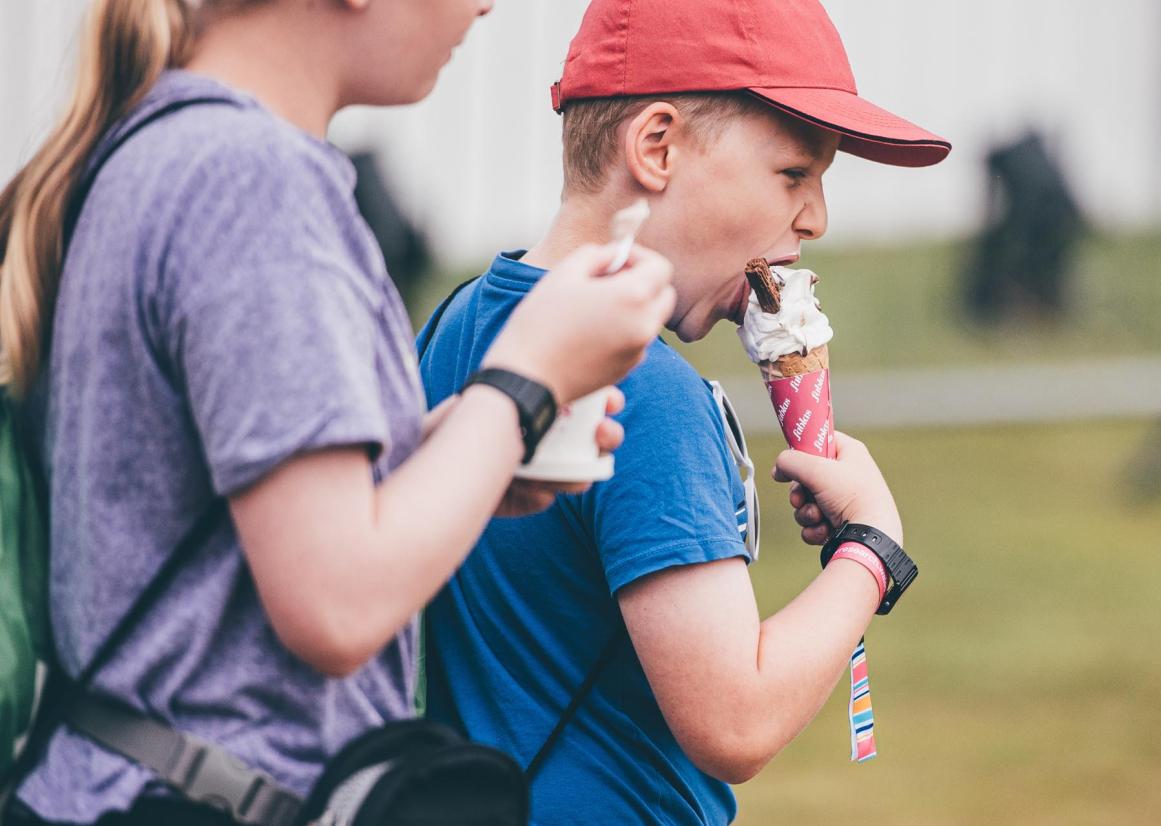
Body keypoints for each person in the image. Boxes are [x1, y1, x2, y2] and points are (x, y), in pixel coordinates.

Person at [0, 0, 674, 824]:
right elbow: (336, 604)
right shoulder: (252, 182)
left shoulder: (156, 151)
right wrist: (524, 382)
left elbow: (215, 516)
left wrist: (461, 452)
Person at [416, 0, 951, 822]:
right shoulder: (650, 393)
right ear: (656, 148)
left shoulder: (457, 325)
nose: (816, 218)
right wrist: (873, 547)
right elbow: (736, 720)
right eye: (793, 174)